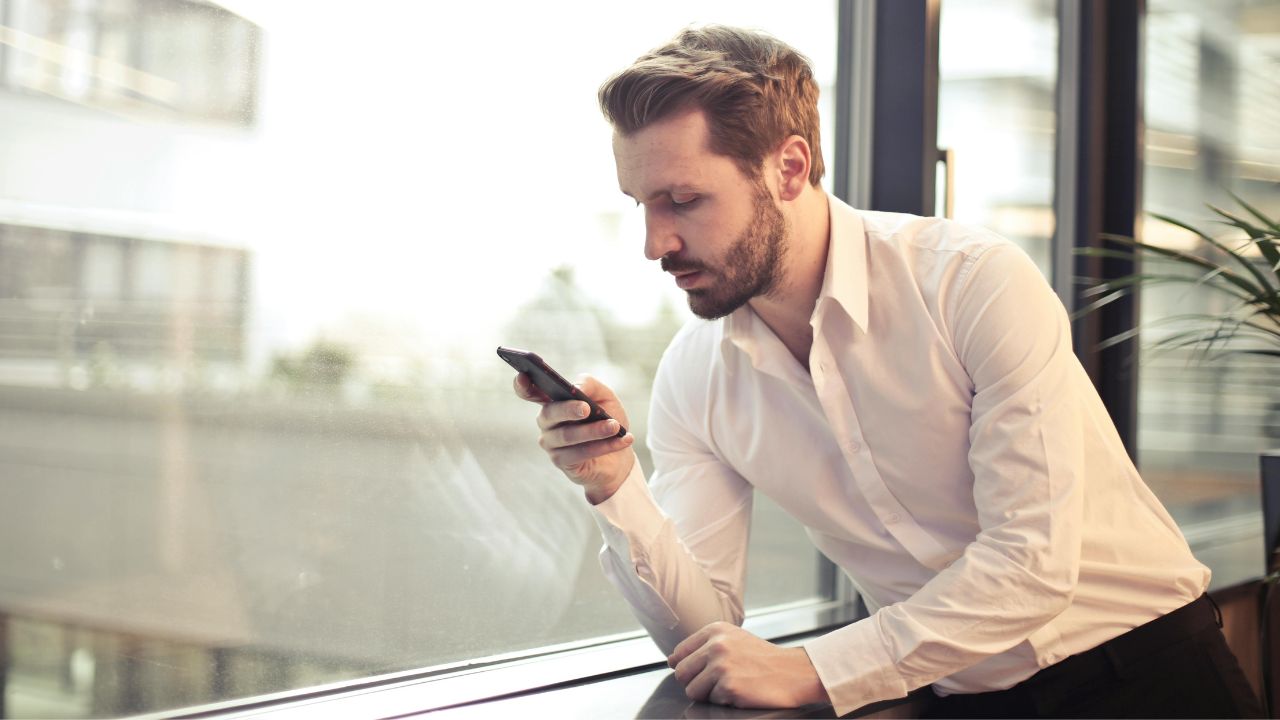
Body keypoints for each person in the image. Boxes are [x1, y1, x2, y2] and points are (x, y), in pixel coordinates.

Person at [511, 25, 1264, 718]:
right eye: (642, 203)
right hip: (952, 699)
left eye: (683, 200)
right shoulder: (694, 378)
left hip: (1148, 676)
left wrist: (818, 667)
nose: (653, 242)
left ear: (789, 167)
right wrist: (615, 488)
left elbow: (1032, 564)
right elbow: (707, 638)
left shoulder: (972, 282)